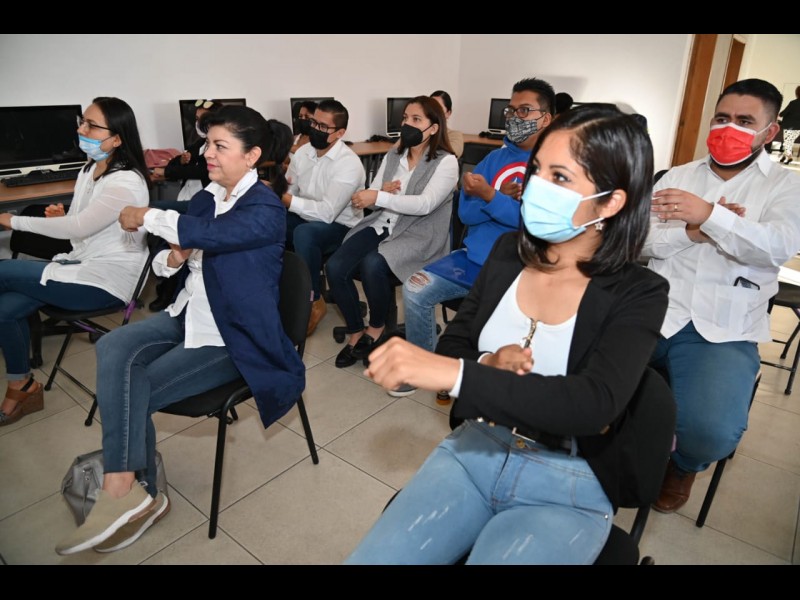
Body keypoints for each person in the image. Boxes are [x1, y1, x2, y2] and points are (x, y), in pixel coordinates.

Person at [344, 104, 668, 565]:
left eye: (560, 177)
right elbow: (456, 342)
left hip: (567, 481)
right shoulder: (508, 252)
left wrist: (461, 376)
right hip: (475, 448)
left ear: (611, 202)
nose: (535, 187)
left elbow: (593, 405)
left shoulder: (640, 292)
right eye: (537, 170)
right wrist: (487, 365)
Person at [54, 106, 305, 555]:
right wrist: (172, 258)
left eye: (220, 146)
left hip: (233, 337)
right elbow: (171, 260)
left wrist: (147, 215)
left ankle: (133, 492)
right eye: (207, 143)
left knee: (135, 389)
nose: (207, 153)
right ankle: (131, 490)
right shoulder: (209, 197)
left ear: (251, 156)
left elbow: (211, 234)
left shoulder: (266, 208)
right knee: (113, 346)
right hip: (189, 314)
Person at [642, 78, 800, 513]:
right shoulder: (678, 176)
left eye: (745, 121)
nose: (729, 128)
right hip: (656, 311)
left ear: (770, 131)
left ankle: (683, 465)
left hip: (721, 328)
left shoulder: (784, 187)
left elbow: (777, 246)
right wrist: (693, 233)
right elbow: (640, 242)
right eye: (722, 118)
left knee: (709, 432)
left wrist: (711, 216)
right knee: (585, 380)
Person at [399, 78, 556, 398]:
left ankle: (472, 376)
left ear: (546, 118)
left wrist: (491, 197)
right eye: (511, 110)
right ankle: (426, 366)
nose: (514, 117)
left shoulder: (554, 167)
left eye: (524, 110)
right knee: (414, 288)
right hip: (473, 259)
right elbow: (466, 214)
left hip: (520, 269)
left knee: (492, 324)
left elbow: (534, 224)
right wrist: (495, 198)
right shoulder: (494, 160)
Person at [0, 97, 150, 427]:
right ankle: (21, 384)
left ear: (117, 138)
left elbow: (80, 228)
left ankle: (21, 386)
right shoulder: (89, 169)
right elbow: (85, 224)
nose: (82, 129)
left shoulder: (126, 181)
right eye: (82, 121)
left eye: (92, 126)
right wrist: (65, 217)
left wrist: (13, 221)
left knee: (3, 271)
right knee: (5, 310)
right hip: (80, 264)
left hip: (106, 282)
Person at [327, 96, 458, 369]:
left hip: (418, 234)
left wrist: (379, 195)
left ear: (434, 128)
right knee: (335, 266)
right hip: (383, 224)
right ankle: (356, 332)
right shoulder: (394, 155)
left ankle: (375, 329)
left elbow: (425, 205)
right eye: (405, 118)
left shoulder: (446, 162)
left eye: (416, 119)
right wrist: (375, 194)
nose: (407, 124)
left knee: (373, 264)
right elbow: (373, 199)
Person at [282, 99, 366, 336]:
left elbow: (328, 214)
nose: (315, 129)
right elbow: (290, 190)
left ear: (340, 133)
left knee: (305, 233)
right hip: (307, 218)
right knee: (271, 222)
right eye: (313, 123)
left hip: (341, 226)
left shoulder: (349, 164)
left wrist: (287, 200)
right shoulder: (303, 153)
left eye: (322, 126)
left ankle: (312, 299)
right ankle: (281, 291)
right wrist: (277, 194)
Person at [148, 100, 224, 312]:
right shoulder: (199, 144)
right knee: (164, 230)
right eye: (197, 119)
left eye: (203, 119)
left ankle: (168, 289)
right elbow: (175, 162)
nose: (198, 124)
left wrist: (169, 171)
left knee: (157, 211)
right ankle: (166, 282)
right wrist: (180, 162)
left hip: (202, 203)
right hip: (191, 200)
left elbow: (201, 171)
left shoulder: (217, 149)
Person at [430, 90, 464, 159]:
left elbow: (449, 155)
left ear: (448, 113)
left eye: (439, 108)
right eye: (430, 108)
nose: (433, 112)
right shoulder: (421, 132)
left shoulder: (455, 135)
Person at [778, 85, 800, 164]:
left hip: (789, 126)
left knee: (787, 142)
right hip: (798, 127)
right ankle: (784, 157)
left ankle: (789, 157)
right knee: (789, 142)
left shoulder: (793, 103)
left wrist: (779, 115)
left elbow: (784, 113)